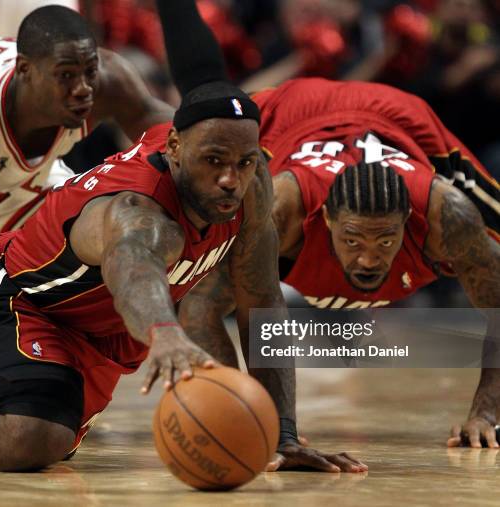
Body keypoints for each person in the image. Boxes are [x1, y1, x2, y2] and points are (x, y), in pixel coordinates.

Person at [0, 0, 367, 474]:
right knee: (30, 439)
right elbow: (131, 268)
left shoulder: (246, 179)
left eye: (243, 163)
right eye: (214, 161)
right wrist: (164, 333)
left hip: (96, 322)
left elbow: (262, 299)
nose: (229, 179)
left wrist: (281, 431)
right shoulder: (137, 210)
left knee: (54, 428)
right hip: (16, 294)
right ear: (176, 151)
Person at [178, 77, 499, 450]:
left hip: (401, 118)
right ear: (325, 219)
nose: (367, 259)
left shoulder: (449, 217)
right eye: (352, 239)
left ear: (411, 220)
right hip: (295, 111)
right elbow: (201, 306)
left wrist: (487, 413)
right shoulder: (282, 210)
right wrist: (243, 412)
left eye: (384, 240)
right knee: (186, 160)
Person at [0, 5, 173, 362]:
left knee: (99, 239)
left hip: (4, 180)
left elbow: (177, 141)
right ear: (25, 72)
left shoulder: (106, 81)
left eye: (89, 72)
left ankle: (53, 370)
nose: (83, 89)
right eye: (67, 76)